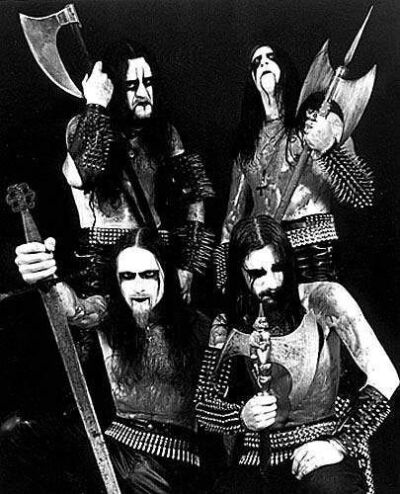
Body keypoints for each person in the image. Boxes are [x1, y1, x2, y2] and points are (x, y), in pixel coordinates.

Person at [195, 215, 398, 494]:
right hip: (255, 460)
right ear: (239, 272)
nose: (272, 282)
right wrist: (239, 417)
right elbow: (204, 405)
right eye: (257, 273)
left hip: (319, 449)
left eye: (278, 268)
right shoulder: (227, 323)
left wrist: (340, 443)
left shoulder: (323, 298)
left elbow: (386, 377)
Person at [6, 227, 211, 493]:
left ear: (166, 274)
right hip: (115, 448)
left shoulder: (199, 326)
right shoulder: (109, 312)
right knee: (21, 434)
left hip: (173, 461)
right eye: (127, 276)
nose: (138, 287)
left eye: (149, 275)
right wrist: (47, 276)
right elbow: (75, 309)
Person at [64, 40, 215, 302]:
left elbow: (195, 197)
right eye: (132, 86)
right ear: (113, 89)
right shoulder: (83, 126)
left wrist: (188, 266)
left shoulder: (166, 134)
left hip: (153, 253)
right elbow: (79, 176)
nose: (144, 93)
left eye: (149, 83)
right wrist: (96, 104)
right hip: (103, 261)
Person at [215, 44, 374, 289]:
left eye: (271, 57)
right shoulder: (246, 143)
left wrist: (328, 147)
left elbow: (361, 194)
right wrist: (224, 275)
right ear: (253, 80)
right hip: (265, 259)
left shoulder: (316, 123)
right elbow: (232, 218)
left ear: (285, 68)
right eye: (256, 62)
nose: (263, 63)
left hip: (312, 252)